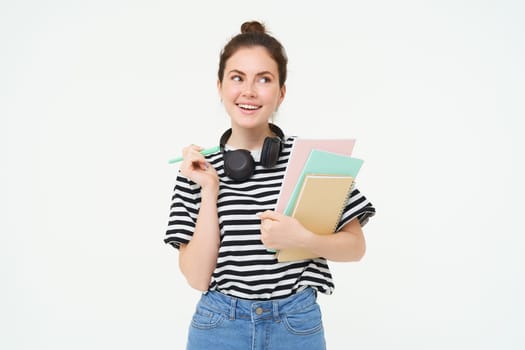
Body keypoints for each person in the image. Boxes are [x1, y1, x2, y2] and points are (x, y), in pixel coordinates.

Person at [164, 20, 376, 350]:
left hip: (296, 325)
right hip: (220, 326)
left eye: (264, 79)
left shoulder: (313, 159)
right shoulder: (196, 168)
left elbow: (356, 247)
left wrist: (302, 239)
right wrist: (209, 189)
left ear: (281, 92)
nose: (249, 90)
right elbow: (197, 277)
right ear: (219, 86)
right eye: (237, 78)